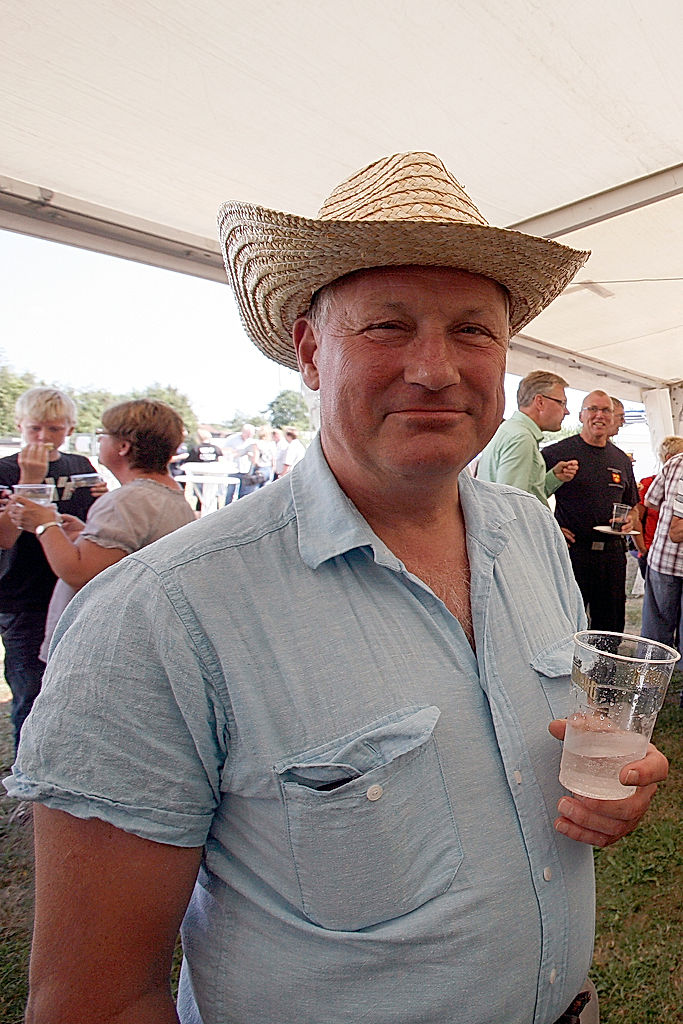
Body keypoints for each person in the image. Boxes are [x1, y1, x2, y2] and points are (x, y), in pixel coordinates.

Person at [5, 152, 668, 1024]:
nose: (435, 368)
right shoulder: (160, 614)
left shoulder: (529, 534)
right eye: (387, 326)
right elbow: (97, 999)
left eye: (472, 330)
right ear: (310, 352)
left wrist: (602, 783)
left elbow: (528, 752)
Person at [7, 399, 196, 656]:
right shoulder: (168, 493)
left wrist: (45, 524)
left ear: (123, 446)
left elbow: (78, 573)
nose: (99, 441)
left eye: (103, 434)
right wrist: (83, 534)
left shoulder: (127, 500)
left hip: (92, 644)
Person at [0, 387, 101, 751]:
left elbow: (96, 528)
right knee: (30, 689)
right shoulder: (5, 470)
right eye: (35, 428)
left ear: (70, 429)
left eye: (54, 429)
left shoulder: (80, 466)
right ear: (19, 426)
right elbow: (5, 538)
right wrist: (30, 479)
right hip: (22, 595)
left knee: (74, 686)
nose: (43, 437)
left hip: (73, 589)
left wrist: (106, 501)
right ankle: (25, 766)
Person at [542, 390, 638, 632]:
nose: (599, 415)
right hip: (573, 553)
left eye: (606, 410)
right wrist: (551, 527)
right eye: (592, 409)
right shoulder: (556, 453)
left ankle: (605, 659)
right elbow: (529, 494)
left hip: (612, 556)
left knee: (610, 629)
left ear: (613, 417)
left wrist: (629, 520)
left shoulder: (621, 460)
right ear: (581, 416)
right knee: (565, 626)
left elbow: (633, 507)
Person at [477, 370, 578, 505]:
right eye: (562, 403)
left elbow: (526, 496)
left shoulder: (510, 430)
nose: (566, 411)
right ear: (540, 402)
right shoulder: (521, 439)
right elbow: (512, 503)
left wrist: (554, 477)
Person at [640, 443, 683, 656]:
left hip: (664, 558)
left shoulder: (676, 462)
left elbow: (651, 501)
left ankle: (650, 672)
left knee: (655, 630)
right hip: (666, 558)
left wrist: (670, 509)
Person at [632, 436, 683, 577]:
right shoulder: (648, 483)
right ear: (669, 458)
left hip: (662, 554)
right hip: (655, 551)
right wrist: (642, 549)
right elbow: (637, 517)